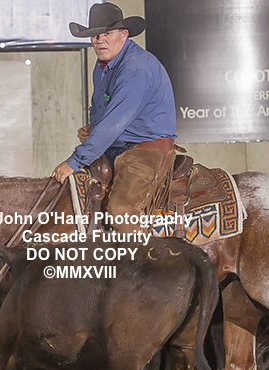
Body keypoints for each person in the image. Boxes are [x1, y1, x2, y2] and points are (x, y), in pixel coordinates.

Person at [52, 2, 177, 233]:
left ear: (124, 34)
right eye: (94, 35)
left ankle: (150, 256)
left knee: (120, 211)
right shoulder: (103, 66)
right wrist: (95, 127)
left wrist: (74, 162)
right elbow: (103, 112)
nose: (99, 40)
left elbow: (114, 123)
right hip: (118, 148)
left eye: (107, 34)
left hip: (145, 150)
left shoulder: (136, 68)